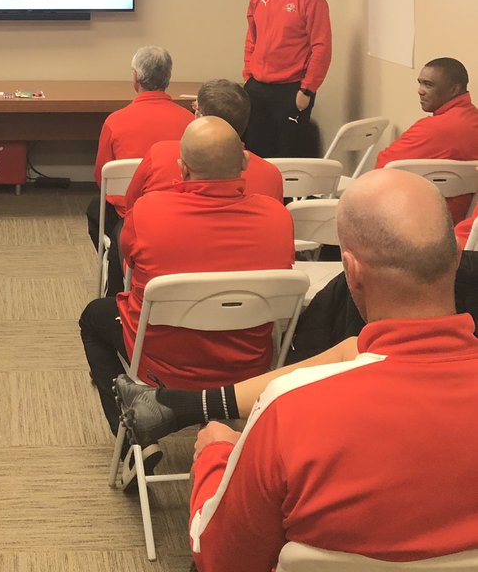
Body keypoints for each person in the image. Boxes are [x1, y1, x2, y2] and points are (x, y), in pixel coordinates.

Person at [185, 167, 478, 568]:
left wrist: (216, 456)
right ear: (458, 256)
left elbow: (221, 560)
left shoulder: (289, 413)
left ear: (351, 271)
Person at [78, 116, 295, 471]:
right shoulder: (277, 217)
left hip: (163, 361)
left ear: (181, 167)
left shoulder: (148, 212)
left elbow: (127, 262)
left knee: (93, 317)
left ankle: (134, 436)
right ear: (244, 162)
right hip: (249, 364)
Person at [85, 46, 193, 294]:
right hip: (182, 211)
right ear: (168, 78)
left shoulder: (116, 121)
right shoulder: (190, 121)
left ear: (135, 78)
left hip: (132, 216)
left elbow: (103, 180)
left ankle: (120, 265)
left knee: (95, 207)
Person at [124, 78, 283, 213]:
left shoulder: (159, 155)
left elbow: (130, 205)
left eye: (195, 107)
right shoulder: (271, 176)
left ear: (200, 116)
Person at [243, 0, 331, 158]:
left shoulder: (312, 0)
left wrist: (307, 90)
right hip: (257, 87)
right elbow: (252, 38)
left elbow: (321, 48)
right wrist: (248, 74)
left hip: (292, 90)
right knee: (255, 151)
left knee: (288, 154)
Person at [374, 57, 478, 223]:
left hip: (417, 221)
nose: (420, 91)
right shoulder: (473, 119)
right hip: (461, 224)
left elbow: (381, 168)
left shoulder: (433, 128)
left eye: (428, 85)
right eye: (420, 83)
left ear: (454, 89)